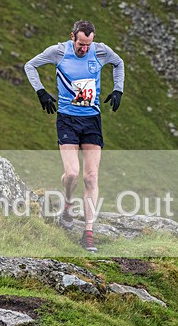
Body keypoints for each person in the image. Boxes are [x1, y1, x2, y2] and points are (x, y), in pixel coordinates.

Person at [24, 20, 125, 253]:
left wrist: (118, 88)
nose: (84, 49)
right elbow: (30, 65)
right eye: (81, 44)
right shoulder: (58, 51)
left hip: (92, 119)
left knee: (91, 178)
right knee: (72, 173)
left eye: (88, 45)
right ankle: (68, 204)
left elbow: (118, 63)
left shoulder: (101, 50)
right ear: (73, 37)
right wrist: (40, 91)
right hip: (67, 118)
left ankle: (88, 232)